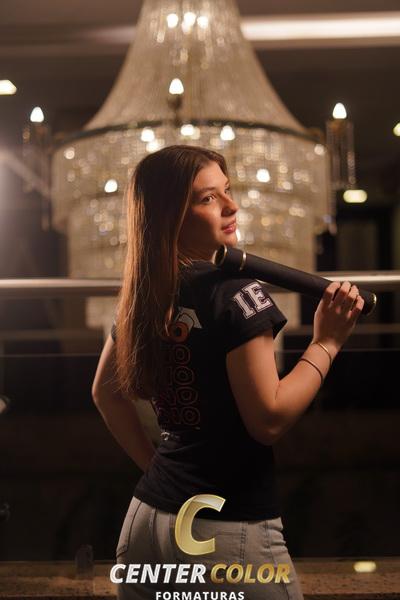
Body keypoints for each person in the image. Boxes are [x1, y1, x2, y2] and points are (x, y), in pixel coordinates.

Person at [92, 144, 364, 599]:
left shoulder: (144, 294)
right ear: (170, 217)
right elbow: (268, 419)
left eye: (227, 191)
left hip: (145, 524)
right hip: (225, 531)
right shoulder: (237, 293)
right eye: (207, 198)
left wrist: (156, 468)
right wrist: (327, 343)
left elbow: (104, 393)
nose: (231, 206)